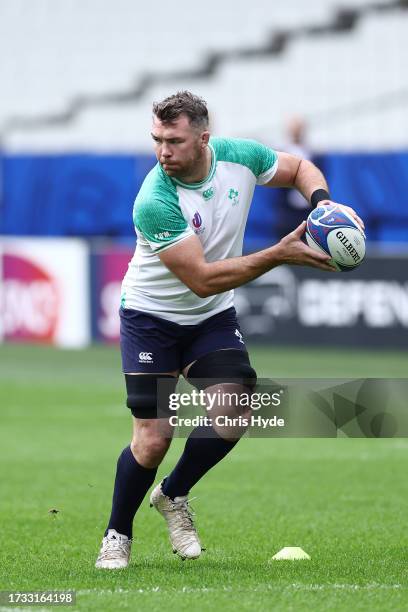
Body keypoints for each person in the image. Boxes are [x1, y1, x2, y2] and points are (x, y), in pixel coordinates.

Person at [95, 91, 364, 569]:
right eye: (156, 140)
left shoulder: (241, 156)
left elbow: (300, 168)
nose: (163, 151)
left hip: (209, 318)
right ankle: (118, 532)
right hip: (150, 319)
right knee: (155, 437)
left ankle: (173, 495)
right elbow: (200, 279)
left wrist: (322, 205)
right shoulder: (154, 199)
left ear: (203, 138)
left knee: (236, 406)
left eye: (173, 141)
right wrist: (279, 254)